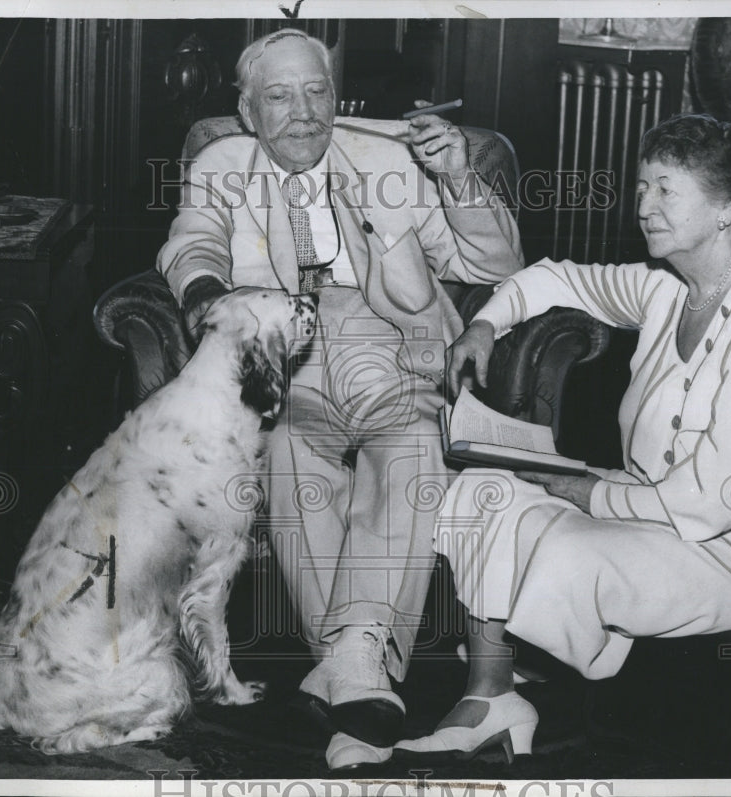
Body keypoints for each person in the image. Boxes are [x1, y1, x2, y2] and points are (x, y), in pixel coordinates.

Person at [394, 113, 731, 761]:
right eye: (641, 187)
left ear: (727, 206)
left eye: (667, 190)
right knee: (483, 490)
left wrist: (581, 489)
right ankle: (492, 693)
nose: (645, 207)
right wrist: (485, 326)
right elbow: (554, 276)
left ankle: (563, 658)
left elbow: (716, 501)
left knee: (562, 551)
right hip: (656, 506)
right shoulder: (669, 288)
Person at [155, 29, 524, 768]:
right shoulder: (222, 164)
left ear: (336, 98)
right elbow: (190, 242)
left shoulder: (389, 162)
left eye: (316, 91)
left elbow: (496, 261)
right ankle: (360, 667)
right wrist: (205, 296)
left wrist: (457, 179)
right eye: (280, 97)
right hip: (287, 349)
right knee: (289, 447)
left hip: (391, 341)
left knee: (412, 439)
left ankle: (348, 665)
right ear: (247, 110)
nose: (302, 112)